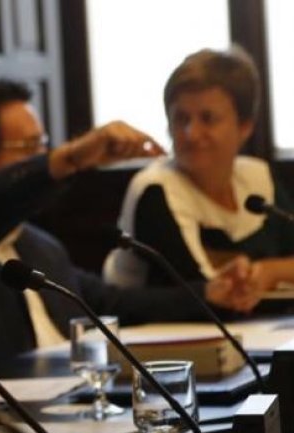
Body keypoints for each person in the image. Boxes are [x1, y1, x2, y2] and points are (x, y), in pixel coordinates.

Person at [0, 78, 259, 368]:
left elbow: (107, 301)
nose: (43, 157)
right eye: (31, 149)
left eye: (45, 145)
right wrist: (66, 160)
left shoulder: (37, 244)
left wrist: (209, 293)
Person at [104, 47, 294, 292]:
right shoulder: (156, 189)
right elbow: (210, 294)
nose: (191, 134)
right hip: (148, 328)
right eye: (181, 119)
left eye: (208, 119)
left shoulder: (256, 177)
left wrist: (271, 271)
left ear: (245, 127)